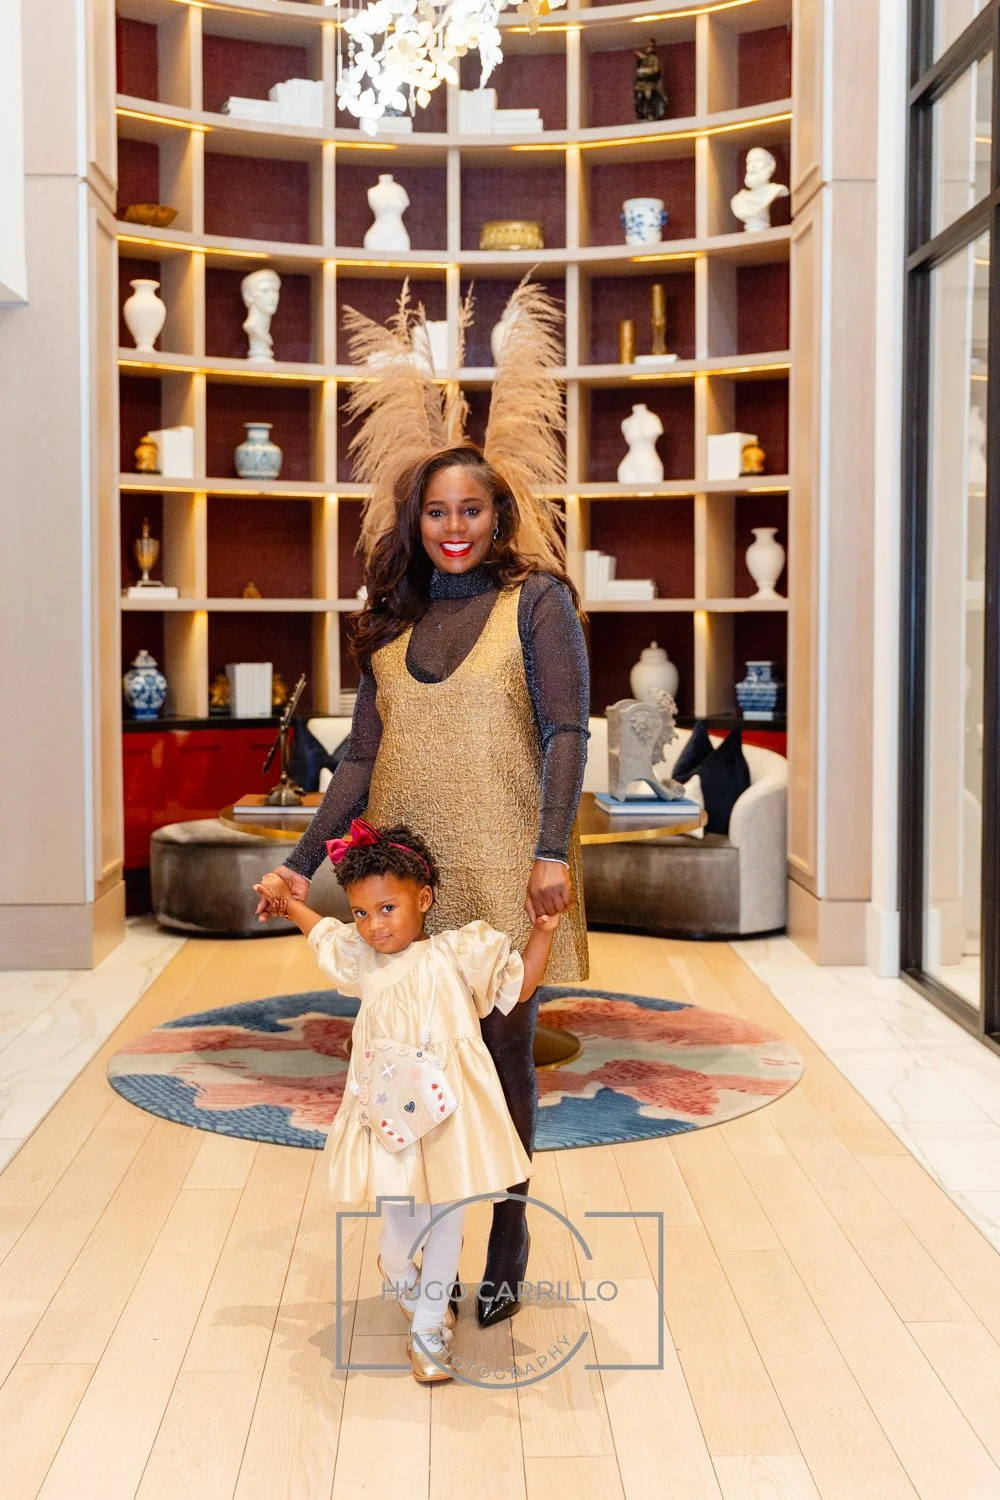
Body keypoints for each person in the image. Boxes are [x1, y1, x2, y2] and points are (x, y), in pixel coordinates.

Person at [256, 279, 590, 1329]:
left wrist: (551, 852)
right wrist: (305, 861)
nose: (454, 527)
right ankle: (434, 1244)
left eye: (471, 509)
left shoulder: (536, 601)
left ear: (498, 516)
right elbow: (357, 758)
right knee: (413, 1076)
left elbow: (566, 734)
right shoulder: (388, 625)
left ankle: (510, 1230)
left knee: (500, 1059)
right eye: (437, 511)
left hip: (499, 867)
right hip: (400, 876)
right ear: (417, 520)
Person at [254, 820, 560, 1384]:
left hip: (451, 1116)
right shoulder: (359, 957)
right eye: (362, 913)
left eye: (388, 909)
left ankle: (427, 1329)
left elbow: (517, 988)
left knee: (446, 1220)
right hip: (391, 1116)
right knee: (400, 1237)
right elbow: (320, 930)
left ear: (425, 900)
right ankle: (401, 1278)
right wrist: (285, 901)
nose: (373, 926)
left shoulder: (458, 953)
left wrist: (543, 932)